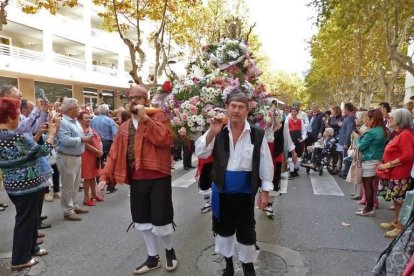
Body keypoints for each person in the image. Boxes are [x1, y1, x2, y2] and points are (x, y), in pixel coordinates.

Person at [98, 85, 177, 275]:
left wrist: (145, 118)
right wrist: (104, 177)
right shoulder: (124, 127)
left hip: (159, 177)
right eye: (131, 98)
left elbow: (164, 140)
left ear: (146, 101)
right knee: (142, 220)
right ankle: (152, 257)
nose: (133, 101)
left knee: (161, 219)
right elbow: (114, 154)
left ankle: (169, 251)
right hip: (137, 179)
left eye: (138, 98)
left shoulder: (158, 117)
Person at [195, 86, 274, 276]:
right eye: (233, 106)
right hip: (221, 191)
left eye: (240, 107)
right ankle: (228, 264)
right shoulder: (218, 130)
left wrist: (265, 192)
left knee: (246, 231)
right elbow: (201, 152)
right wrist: (212, 133)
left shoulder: (256, 134)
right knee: (223, 230)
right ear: (226, 107)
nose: (236, 110)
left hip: (245, 193)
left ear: (247, 110)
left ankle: (248, 265)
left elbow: (265, 163)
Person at [0, 97, 56, 270]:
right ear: (10, 117)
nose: (19, 118)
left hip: (13, 184)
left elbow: (27, 151)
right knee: (25, 220)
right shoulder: (15, 135)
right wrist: (52, 133)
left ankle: (32, 247)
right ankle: (20, 259)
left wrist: (38, 135)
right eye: (17, 114)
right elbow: (41, 151)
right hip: (27, 184)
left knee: (29, 218)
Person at [377, 108, 414, 238]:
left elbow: (408, 156)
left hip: (401, 174)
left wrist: (388, 164)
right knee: (397, 200)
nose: (388, 119)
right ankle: (396, 221)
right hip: (395, 173)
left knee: (400, 201)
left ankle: (400, 227)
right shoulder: (399, 133)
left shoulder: (405, 135)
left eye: (391, 118)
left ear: (400, 120)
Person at [56, 98, 91, 221]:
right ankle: (68, 210)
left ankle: (74, 205)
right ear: (70, 109)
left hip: (75, 156)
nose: (79, 109)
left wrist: (83, 138)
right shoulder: (63, 122)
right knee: (68, 186)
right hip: (67, 157)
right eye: (77, 107)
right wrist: (82, 139)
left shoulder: (74, 121)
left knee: (75, 184)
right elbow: (65, 141)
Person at [264, 109, 296, 218]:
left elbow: (287, 138)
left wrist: (293, 152)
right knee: (262, 177)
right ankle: (263, 200)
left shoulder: (284, 122)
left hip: (276, 152)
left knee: (275, 179)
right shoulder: (262, 121)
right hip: (264, 152)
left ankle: (269, 205)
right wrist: (266, 126)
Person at [355, 109, 387, 217]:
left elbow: (361, 147)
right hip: (377, 159)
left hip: (369, 159)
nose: (366, 121)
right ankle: (369, 206)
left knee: (367, 185)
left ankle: (369, 208)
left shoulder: (371, 132)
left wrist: (358, 139)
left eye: (367, 118)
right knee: (371, 185)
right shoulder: (382, 130)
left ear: (373, 118)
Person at [90, 104, 118, 193]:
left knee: (98, 163)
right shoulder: (109, 120)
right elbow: (115, 133)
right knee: (109, 163)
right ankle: (110, 185)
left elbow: (90, 131)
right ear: (107, 112)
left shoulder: (93, 120)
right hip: (107, 143)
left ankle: (99, 182)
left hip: (96, 142)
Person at [78, 111, 104, 206]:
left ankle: (93, 194)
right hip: (87, 156)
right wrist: (98, 151)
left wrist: (100, 149)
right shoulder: (81, 131)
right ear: (80, 120)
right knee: (87, 178)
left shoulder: (91, 128)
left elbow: (99, 139)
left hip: (95, 156)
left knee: (93, 176)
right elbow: (85, 145)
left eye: (89, 118)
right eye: (86, 118)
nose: (89, 119)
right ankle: (86, 198)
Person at [286, 107, 307, 179]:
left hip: (299, 139)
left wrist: (302, 138)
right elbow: (286, 131)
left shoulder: (300, 120)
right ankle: (291, 172)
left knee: (298, 155)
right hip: (290, 138)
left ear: (297, 113)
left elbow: (304, 131)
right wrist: (287, 139)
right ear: (290, 112)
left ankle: (295, 170)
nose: (293, 113)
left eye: (294, 111)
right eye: (292, 111)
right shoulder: (287, 120)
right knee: (291, 155)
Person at [338, 103, 356, 178]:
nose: (343, 111)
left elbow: (349, 131)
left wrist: (346, 142)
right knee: (346, 157)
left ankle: (347, 173)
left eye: (344, 109)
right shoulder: (348, 117)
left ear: (347, 110)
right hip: (345, 140)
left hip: (346, 141)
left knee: (347, 158)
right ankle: (346, 171)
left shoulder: (350, 117)